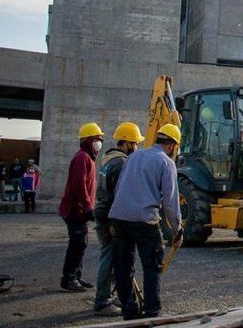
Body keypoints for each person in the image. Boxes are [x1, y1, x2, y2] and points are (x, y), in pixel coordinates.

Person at [109, 124, 183, 320]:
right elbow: (170, 202)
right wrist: (178, 230)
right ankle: (151, 312)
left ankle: (129, 311)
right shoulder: (166, 163)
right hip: (144, 220)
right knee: (152, 266)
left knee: (123, 267)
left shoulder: (133, 157)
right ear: (173, 145)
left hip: (119, 217)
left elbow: (120, 188)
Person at [93, 122, 145, 317]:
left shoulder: (108, 160)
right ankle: (102, 301)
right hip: (110, 216)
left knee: (112, 257)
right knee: (109, 257)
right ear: (128, 143)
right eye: (135, 143)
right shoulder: (121, 164)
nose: (137, 147)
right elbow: (119, 196)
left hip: (102, 212)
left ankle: (111, 295)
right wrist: (116, 224)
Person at [58, 122, 104, 292]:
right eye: (97, 140)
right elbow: (79, 185)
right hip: (74, 209)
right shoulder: (82, 157)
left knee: (81, 242)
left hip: (79, 209)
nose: (99, 143)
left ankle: (76, 276)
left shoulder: (88, 158)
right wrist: (87, 207)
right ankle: (69, 278)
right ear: (88, 141)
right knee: (77, 242)